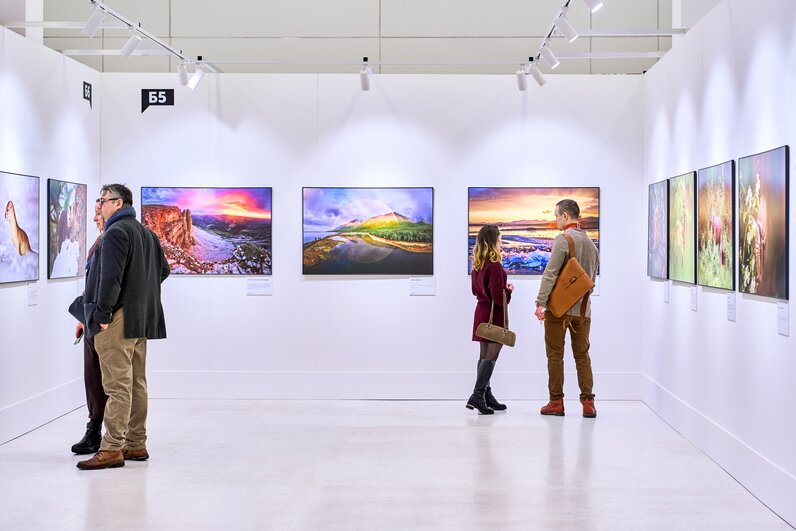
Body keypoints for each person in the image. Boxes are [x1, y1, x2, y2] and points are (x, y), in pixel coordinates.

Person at [76, 184, 170, 470]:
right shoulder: (146, 233)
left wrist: (103, 315)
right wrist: (138, 293)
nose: (100, 205)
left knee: (117, 386)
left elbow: (110, 279)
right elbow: (163, 270)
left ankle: (112, 448)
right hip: (140, 319)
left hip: (117, 320)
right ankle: (136, 443)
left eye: (103, 200)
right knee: (136, 383)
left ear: (119, 203)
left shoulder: (116, 232)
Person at [534, 199, 599, 418]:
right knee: (582, 356)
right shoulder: (592, 245)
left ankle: (556, 402)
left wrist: (540, 302)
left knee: (555, 355)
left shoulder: (563, 240)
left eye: (556, 216)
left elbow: (550, 273)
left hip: (558, 311)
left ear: (565, 215)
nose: (555, 220)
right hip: (583, 311)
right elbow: (590, 280)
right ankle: (588, 403)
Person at [68, 199, 108, 454]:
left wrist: (105, 315)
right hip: (92, 318)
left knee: (111, 381)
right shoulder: (100, 241)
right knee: (92, 377)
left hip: (106, 321)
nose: (94, 218)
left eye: (98, 213)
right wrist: (84, 317)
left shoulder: (114, 240)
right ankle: (94, 430)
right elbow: (93, 284)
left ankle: (113, 437)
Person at [467, 224, 514, 415]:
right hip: (494, 316)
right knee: (491, 356)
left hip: (481, 313)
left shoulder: (477, 265)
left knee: (484, 356)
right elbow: (498, 298)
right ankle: (477, 394)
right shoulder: (494, 266)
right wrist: (508, 291)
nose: (501, 241)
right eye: (499, 238)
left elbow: (475, 291)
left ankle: (486, 395)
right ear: (493, 240)